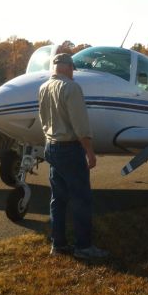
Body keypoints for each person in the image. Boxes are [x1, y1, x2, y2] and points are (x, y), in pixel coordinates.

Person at [38, 52, 108, 260]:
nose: (73, 73)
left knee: (57, 199)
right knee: (81, 199)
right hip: (69, 149)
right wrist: (89, 151)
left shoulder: (43, 88)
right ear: (68, 67)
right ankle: (83, 247)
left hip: (51, 146)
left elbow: (43, 119)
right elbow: (80, 125)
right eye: (73, 69)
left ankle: (58, 244)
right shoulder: (71, 87)